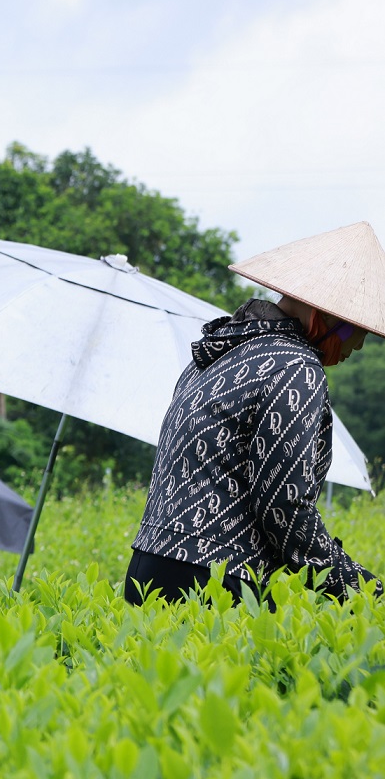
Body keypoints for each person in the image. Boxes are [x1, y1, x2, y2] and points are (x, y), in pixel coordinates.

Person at [126, 221, 382, 603]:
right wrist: (362, 588)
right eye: (355, 334)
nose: (355, 349)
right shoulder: (296, 367)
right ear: (323, 316)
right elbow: (283, 506)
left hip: (147, 568)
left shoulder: (213, 354)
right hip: (214, 579)